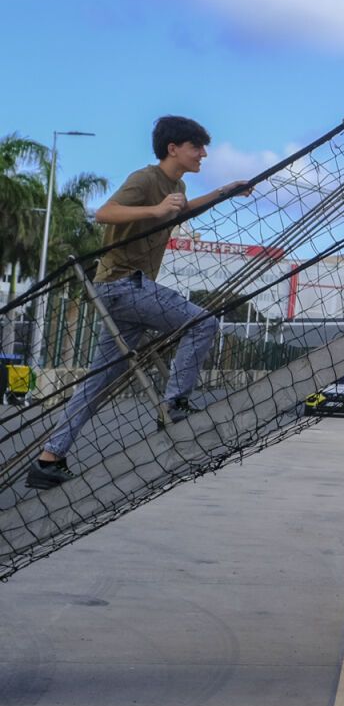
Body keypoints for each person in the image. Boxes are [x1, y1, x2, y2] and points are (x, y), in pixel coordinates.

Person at [25, 116, 252, 490]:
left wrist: (224, 191)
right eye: (197, 147)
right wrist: (155, 210)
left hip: (127, 291)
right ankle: (175, 405)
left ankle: (49, 458)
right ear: (173, 148)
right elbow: (104, 213)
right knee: (203, 323)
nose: (204, 154)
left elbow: (183, 210)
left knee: (98, 383)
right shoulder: (145, 179)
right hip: (122, 285)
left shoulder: (176, 185)